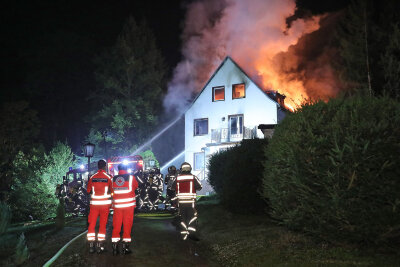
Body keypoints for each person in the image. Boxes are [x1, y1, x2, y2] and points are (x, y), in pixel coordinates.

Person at [111, 163, 139, 255]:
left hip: (118, 206)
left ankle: (115, 248)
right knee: (127, 226)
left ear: (118, 169)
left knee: (116, 225)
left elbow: (112, 190)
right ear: (127, 169)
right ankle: (125, 248)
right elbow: (135, 186)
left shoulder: (113, 179)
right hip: (128, 206)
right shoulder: (131, 178)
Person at [86, 159, 113, 254]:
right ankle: (100, 246)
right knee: (102, 225)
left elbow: (88, 190)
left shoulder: (92, 177)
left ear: (98, 166)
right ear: (105, 166)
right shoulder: (109, 177)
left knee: (92, 224)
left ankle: (91, 246)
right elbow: (112, 190)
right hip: (105, 205)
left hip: (94, 205)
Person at [173, 162, 202, 241]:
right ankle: (191, 233)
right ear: (190, 169)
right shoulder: (193, 177)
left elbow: (173, 187)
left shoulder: (178, 178)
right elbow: (199, 187)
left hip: (181, 202)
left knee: (182, 218)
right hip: (191, 202)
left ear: (181, 169)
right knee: (192, 217)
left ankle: (184, 235)